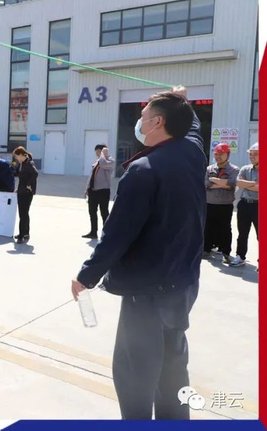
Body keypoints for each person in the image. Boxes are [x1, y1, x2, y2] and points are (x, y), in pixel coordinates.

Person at [71, 89, 205, 420]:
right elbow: (192, 126)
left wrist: (86, 275)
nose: (138, 122)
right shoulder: (192, 152)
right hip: (183, 284)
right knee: (173, 368)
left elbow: (118, 233)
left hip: (146, 293)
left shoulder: (143, 170)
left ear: (158, 122)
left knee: (135, 375)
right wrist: (181, 101)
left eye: (143, 116)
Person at [203, 142, 239, 263]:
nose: (218, 156)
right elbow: (206, 184)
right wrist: (223, 184)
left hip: (225, 204)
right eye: (216, 154)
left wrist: (214, 181)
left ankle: (226, 252)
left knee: (225, 228)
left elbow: (232, 184)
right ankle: (206, 249)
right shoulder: (210, 168)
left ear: (227, 154)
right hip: (210, 203)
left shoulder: (234, 169)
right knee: (208, 227)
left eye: (221, 154)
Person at [230, 143, 259, 268]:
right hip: (244, 204)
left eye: (255, 154)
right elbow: (239, 183)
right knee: (242, 233)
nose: (252, 156)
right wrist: (254, 183)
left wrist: (247, 184)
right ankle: (240, 256)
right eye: (250, 154)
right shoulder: (245, 169)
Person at [82, 144, 116, 240]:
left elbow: (103, 164)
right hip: (93, 191)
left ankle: (107, 234)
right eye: (96, 152)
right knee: (92, 212)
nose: (97, 154)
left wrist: (103, 154)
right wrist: (87, 189)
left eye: (98, 152)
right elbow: (92, 176)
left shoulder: (110, 161)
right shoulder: (97, 162)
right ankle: (93, 232)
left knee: (104, 212)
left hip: (103, 191)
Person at [12, 147, 38, 244]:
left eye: (17, 156)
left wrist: (28, 184)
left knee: (23, 214)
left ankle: (21, 236)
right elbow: (22, 178)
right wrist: (19, 188)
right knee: (24, 213)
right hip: (21, 191)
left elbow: (35, 174)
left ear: (21, 155)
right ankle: (25, 233)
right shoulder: (23, 163)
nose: (16, 159)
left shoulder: (29, 163)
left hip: (26, 192)